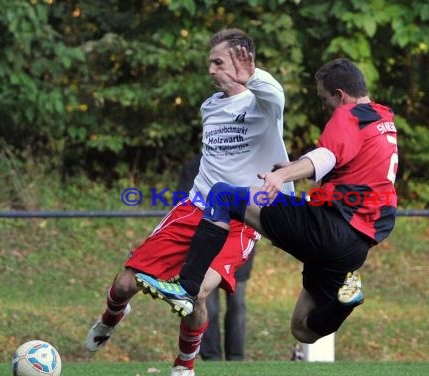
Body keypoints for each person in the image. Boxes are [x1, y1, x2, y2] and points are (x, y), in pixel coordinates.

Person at [136, 58, 398, 345]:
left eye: (325, 99)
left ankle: (186, 286)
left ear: (340, 95)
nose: (324, 106)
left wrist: (283, 174)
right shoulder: (383, 120)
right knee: (303, 330)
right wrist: (297, 164)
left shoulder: (348, 115)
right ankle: (344, 303)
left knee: (222, 195)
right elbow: (347, 165)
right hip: (355, 249)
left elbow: (326, 157)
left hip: (327, 229)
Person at [86, 28, 293, 376]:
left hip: (242, 218)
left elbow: (274, 92)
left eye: (218, 62)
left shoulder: (264, 102)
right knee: (124, 284)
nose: (211, 70)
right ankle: (109, 319)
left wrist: (252, 76)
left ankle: (184, 365)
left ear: (244, 61)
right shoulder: (209, 106)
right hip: (194, 210)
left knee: (197, 293)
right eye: (209, 63)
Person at [177, 153, 254, 361]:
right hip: (207, 243)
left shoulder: (246, 162)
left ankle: (236, 357)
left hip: (237, 242)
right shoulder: (195, 166)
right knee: (206, 300)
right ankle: (211, 356)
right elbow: (185, 202)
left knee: (236, 303)